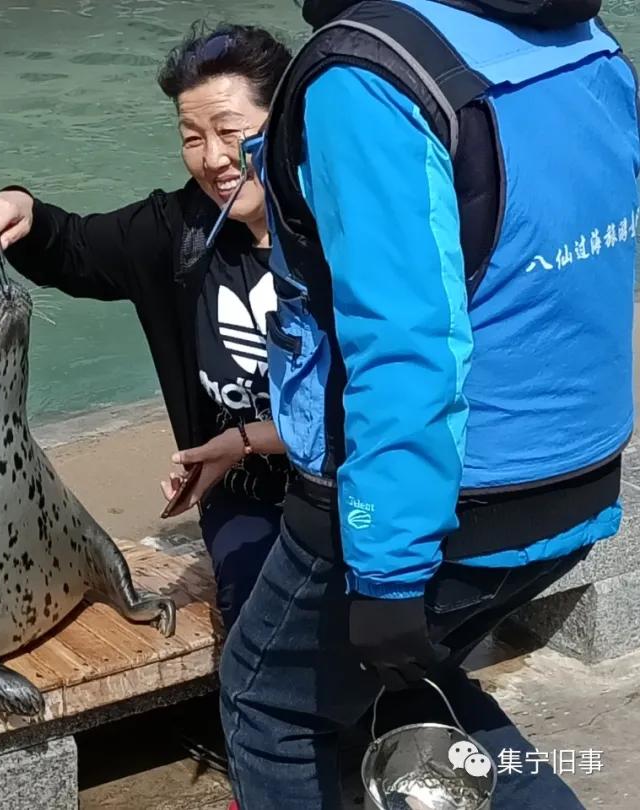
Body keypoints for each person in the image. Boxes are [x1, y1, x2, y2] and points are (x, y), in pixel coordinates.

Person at [218, 0, 640, 807]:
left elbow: (404, 340)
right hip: (580, 478)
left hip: (445, 503)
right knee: (416, 681)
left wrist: (387, 569)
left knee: (269, 705)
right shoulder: (578, 36)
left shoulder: (368, 74)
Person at [0, 23, 292, 634]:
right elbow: (74, 247)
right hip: (245, 493)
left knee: (376, 610)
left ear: (289, 121)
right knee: (262, 626)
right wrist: (19, 206)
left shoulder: (348, 230)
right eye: (191, 137)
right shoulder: (180, 232)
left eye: (230, 132)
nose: (213, 158)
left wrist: (245, 439)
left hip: (354, 478)